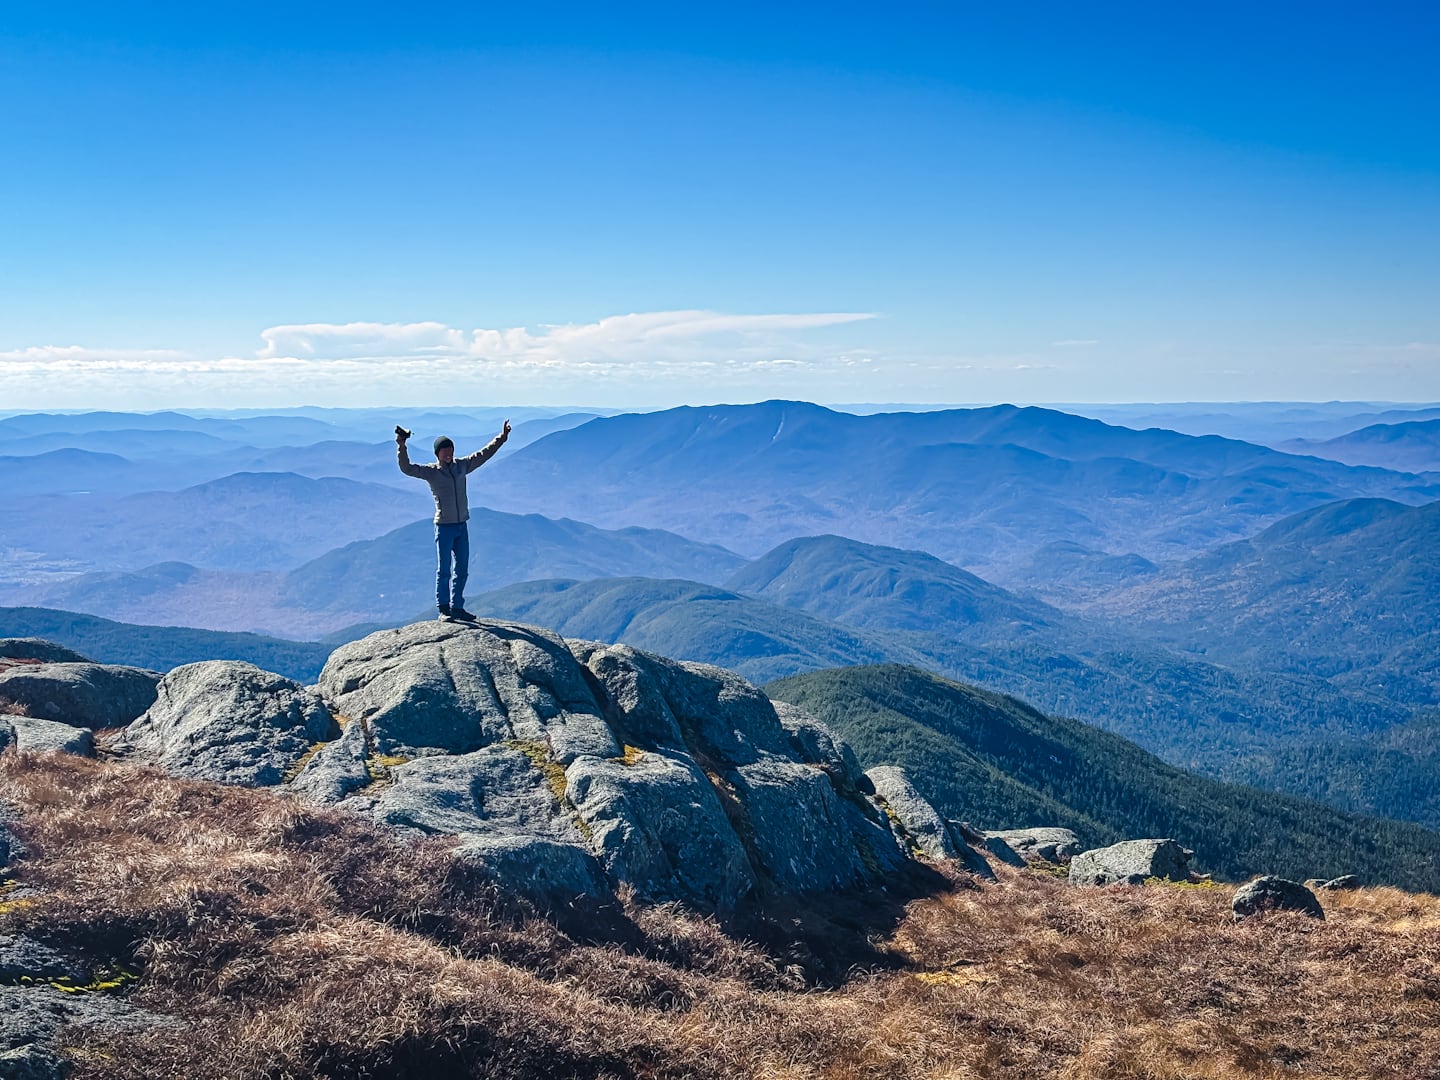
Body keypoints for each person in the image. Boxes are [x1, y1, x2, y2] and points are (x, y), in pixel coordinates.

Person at [396, 420, 510, 619]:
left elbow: (483, 454)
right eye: (445, 451)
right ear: (437, 454)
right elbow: (406, 468)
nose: (449, 454)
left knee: (462, 568)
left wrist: (502, 438)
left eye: (451, 450)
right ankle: (443, 609)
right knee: (444, 570)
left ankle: (457, 607)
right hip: (444, 527)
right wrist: (402, 446)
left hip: (461, 525)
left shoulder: (461, 466)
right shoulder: (431, 472)